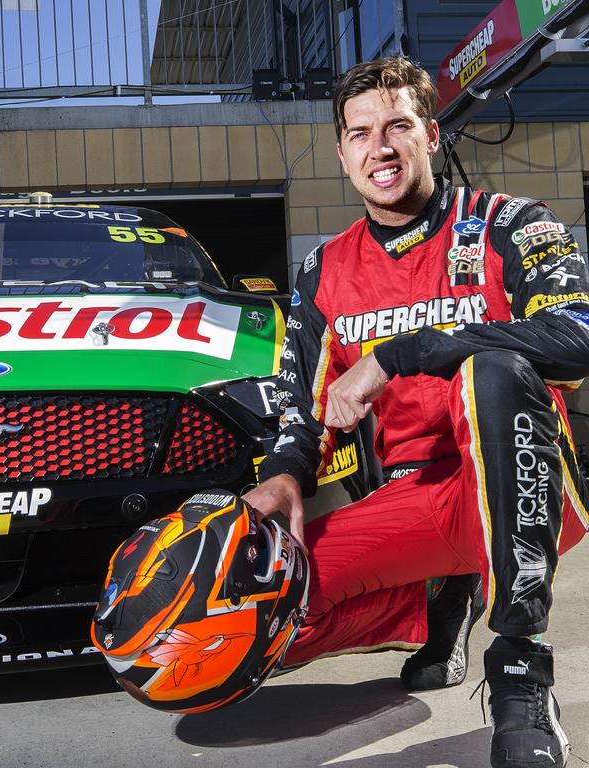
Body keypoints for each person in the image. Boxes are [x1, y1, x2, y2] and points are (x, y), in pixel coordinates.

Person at [244, 56, 589, 768]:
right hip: (415, 503)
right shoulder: (324, 272)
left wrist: (405, 353)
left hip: (532, 489)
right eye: (362, 132)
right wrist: (284, 472)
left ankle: (522, 673)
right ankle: (436, 599)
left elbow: (579, 334)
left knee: (492, 368)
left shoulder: (510, 223)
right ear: (342, 152)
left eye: (399, 125)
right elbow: (300, 408)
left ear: (431, 135)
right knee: (260, 614)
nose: (382, 147)